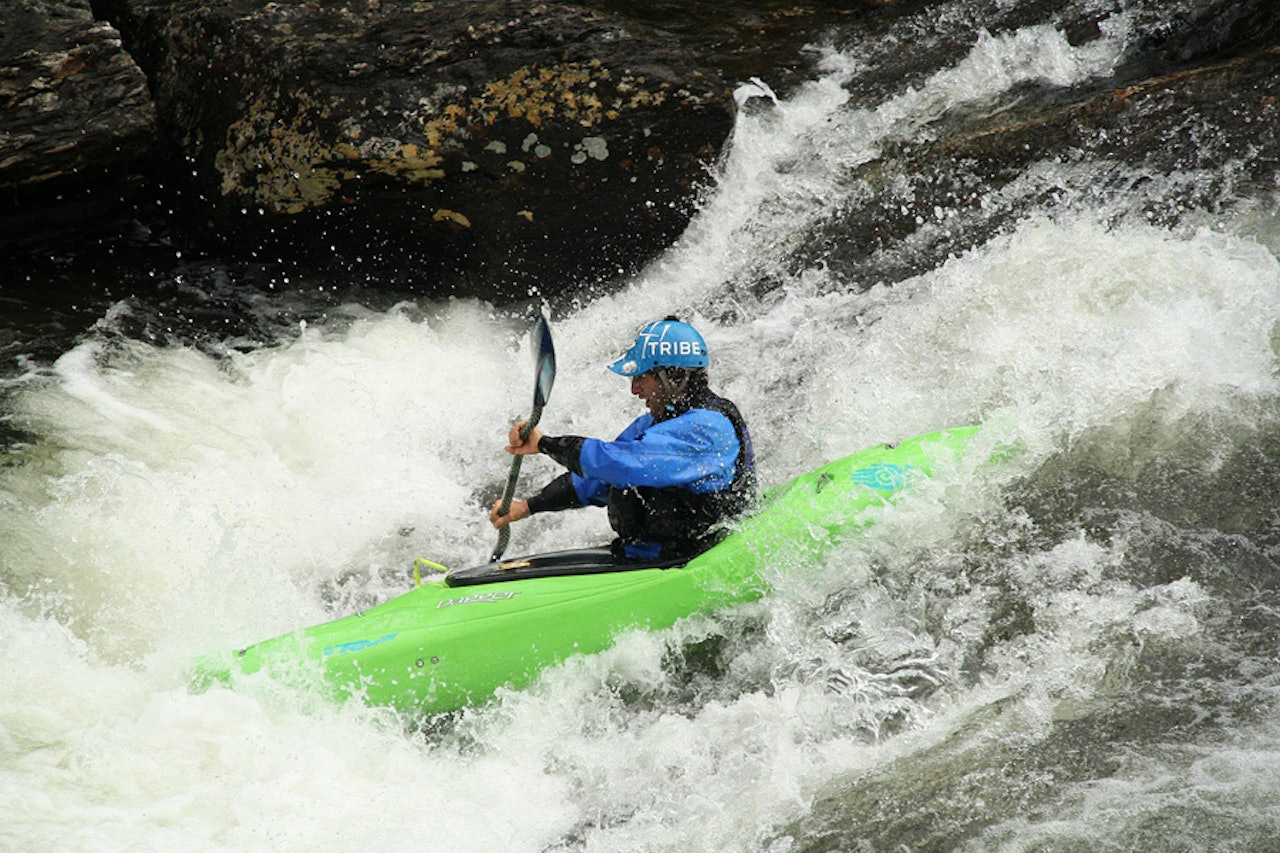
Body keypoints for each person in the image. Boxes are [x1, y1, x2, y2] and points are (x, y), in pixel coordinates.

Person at [489, 316, 757, 560]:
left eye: (642, 378)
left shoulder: (706, 428)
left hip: (687, 558)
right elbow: (600, 478)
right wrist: (529, 506)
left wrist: (545, 444)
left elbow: (619, 465)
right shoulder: (656, 422)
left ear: (674, 378)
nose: (634, 389)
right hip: (651, 554)